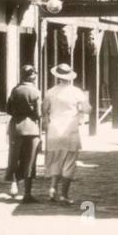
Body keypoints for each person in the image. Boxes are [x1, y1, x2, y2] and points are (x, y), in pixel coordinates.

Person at [41, 63, 91, 206]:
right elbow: (87, 110)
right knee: (69, 163)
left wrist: (46, 122)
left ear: (57, 76)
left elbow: (44, 110)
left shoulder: (50, 92)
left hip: (54, 131)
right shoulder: (77, 92)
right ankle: (64, 194)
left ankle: (52, 188)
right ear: (70, 77)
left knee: (55, 160)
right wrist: (82, 110)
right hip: (70, 131)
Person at [5, 64, 42, 202]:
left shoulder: (15, 91)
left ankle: (14, 184)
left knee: (14, 157)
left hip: (16, 127)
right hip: (31, 129)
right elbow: (38, 114)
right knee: (30, 161)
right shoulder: (35, 92)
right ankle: (27, 194)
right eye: (35, 74)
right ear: (32, 76)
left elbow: (8, 109)